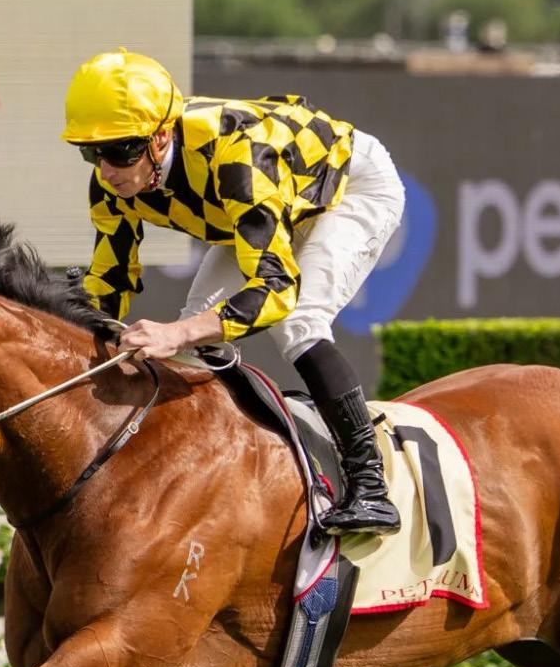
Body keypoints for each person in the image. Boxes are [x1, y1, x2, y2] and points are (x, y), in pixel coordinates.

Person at [61, 48, 404, 536]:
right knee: (198, 331)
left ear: (161, 137)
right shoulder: (110, 185)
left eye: (120, 151)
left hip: (348, 186)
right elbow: (109, 283)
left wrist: (177, 333)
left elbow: (276, 288)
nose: (107, 169)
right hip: (262, 204)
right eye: (91, 152)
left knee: (299, 321)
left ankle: (370, 484)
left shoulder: (238, 157)